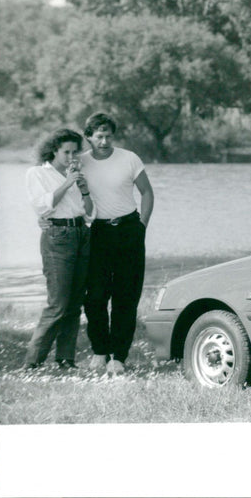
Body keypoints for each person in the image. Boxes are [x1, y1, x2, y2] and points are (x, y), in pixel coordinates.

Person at [80, 112, 154, 375]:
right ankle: (100, 350)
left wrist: (142, 226)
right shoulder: (81, 163)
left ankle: (118, 357)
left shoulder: (129, 158)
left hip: (129, 230)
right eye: (98, 136)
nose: (104, 141)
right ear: (88, 136)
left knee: (126, 297)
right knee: (95, 296)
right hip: (98, 232)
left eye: (108, 135)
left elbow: (147, 192)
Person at [24, 129, 94, 369]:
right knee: (58, 303)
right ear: (54, 149)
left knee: (75, 303)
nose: (71, 157)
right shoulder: (37, 173)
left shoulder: (77, 173)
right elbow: (44, 207)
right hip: (58, 236)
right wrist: (68, 183)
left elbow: (90, 212)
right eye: (67, 152)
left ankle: (66, 360)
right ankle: (32, 362)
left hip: (82, 233)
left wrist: (83, 189)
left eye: (76, 152)